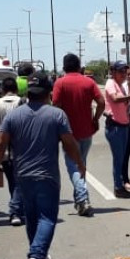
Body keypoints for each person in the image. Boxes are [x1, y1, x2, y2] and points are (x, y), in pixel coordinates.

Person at [0, 71, 85, 259]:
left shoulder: (13, 116)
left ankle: (38, 256)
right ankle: (36, 257)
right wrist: (79, 163)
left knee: (32, 218)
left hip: (22, 176)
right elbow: (69, 143)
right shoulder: (57, 115)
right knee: (47, 217)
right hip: (47, 176)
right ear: (48, 93)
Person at [51, 52, 104, 217]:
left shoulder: (60, 83)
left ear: (64, 66)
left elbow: (55, 105)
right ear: (79, 65)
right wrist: (95, 119)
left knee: (74, 166)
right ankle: (79, 201)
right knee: (81, 164)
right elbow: (101, 103)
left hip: (68, 133)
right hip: (86, 131)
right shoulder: (88, 81)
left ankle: (82, 198)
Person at [0, 77, 25, 226]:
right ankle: (16, 211)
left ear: (2, 90)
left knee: (12, 180)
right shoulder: (23, 103)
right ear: (16, 89)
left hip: (2, 149)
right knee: (18, 181)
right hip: (21, 148)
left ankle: (17, 209)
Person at [103, 60, 130, 199]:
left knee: (121, 158)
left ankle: (120, 185)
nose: (124, 74)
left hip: (123, 125)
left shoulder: (120, 86)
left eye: (125, 71)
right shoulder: (110, 83)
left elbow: (123, 103)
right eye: (121, 71)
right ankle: (118, 187)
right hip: (115, 126)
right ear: (113, 72)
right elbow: (116, 99)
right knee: (118, 159)